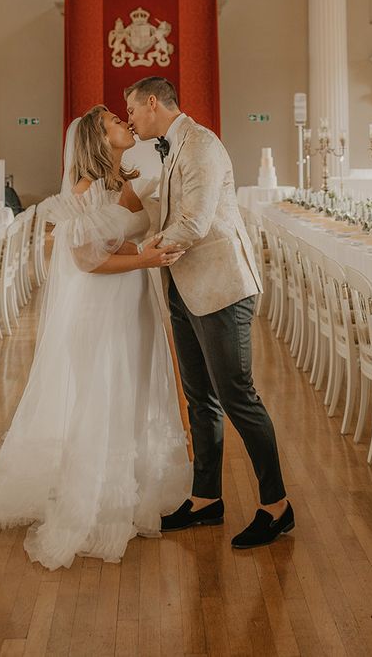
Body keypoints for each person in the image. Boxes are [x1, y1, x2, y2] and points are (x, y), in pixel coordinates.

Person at [0, 105, 192, 570]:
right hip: (101, 304)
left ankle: (131, 487)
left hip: (133, 300)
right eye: (115, 121)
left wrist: (145, 252)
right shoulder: (84, 192)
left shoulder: (124, 182)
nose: (125, 124)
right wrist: (146, 261)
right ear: (98, 138)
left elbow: (121, 240)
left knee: (130, 390)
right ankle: (96, 500)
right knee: (102, 394)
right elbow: (89, 260)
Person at [125, 76, 294, 549]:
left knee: (238, 396)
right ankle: (206, 500)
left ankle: (277, 507)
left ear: (153, 103)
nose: (132, 119)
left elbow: (195, 222)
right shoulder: (170, 147)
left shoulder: (201, 144)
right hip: (183, 285)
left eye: (133, 110)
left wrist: (141, 252)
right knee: (199, 399)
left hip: (222, 288)